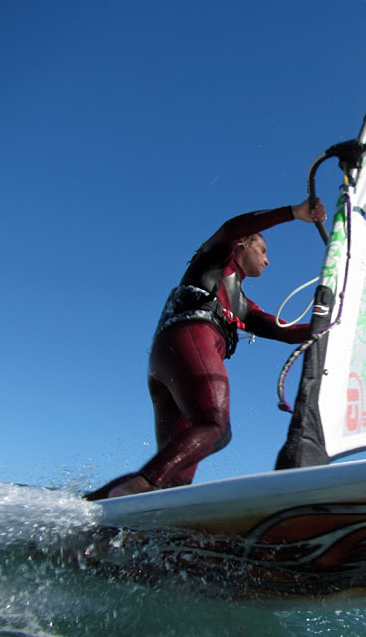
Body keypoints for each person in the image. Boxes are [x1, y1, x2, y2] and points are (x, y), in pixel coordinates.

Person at [85, 197, 327, 500]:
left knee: (175, 478)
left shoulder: (241, 305)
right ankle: (141, 484)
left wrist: (331, 321)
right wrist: (295, 213)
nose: (267, 261)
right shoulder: (217, 257)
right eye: (262, 251)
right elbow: (232, 227)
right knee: (215, 426)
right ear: (242, 245)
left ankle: (88, 510)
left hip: (166, 363)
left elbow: (288, 332)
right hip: (188, 340)